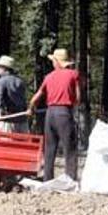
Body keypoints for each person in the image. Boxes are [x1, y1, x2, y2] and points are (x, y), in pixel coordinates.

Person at [27, 48, 80, 181]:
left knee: (49, 148)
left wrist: (30, 108)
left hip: (50, 113)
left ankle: (48, 178)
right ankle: (70, 179)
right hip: (64, 113)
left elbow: (36, 97)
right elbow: (78, 97)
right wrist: (72, 104)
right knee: (70, 148)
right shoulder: (74, 74)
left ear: (56, 62)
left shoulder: (48, 77)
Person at [0, 55, 29, 133]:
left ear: (4, 68)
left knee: (7, 144)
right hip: (22, 120)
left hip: (7, 120)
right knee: (23, 144)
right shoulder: (20, 81)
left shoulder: (1, 81)